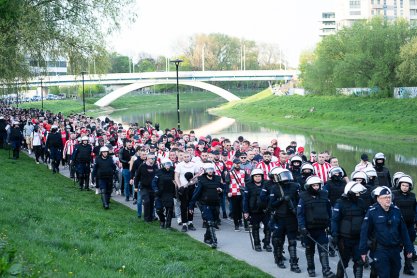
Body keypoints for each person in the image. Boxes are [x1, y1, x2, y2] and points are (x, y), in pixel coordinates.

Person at [359, 186, 415, 278]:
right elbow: (364, 233)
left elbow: (404, 231)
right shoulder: (372, 212)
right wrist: (363, 251)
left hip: (395, 250)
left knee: (395, 274)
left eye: (389, 197)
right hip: (380, 250)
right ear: (378, 199)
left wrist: (409, 248)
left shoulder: (396, 211)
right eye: (385, 197)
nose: (388, 199)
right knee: (384, 275)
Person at [297, 175, 336, 278]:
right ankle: (311, 269)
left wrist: (330, 224)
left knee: (323, 250)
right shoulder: (303, 197)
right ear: (309, 186)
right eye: (313, 185)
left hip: (322, 229)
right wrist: (302, 227)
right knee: (310, 251)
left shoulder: (324, 195)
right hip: (309, 230)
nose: (316, 187)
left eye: (317, 185)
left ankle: (326, 271)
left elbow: (329, 211)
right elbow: (300, 214)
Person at [267, 167, 301, 273]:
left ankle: (294, 263)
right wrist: (281, 199)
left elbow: (300, 201)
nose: (286, 178)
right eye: (283, 176)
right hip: (279, 218)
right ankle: (278, 258)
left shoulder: (296, 186)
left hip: (291, 218)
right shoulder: (275, 188)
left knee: (292, 241)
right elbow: (271, 205)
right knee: (278, 240)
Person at [331, 181, 368, 278]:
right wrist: (334, 235)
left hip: (358, 239)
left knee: (359, 261)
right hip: (344, 239)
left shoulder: (361, 202)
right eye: (356, 193)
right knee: (344, 261)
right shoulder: (340, 203)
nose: (358, 195)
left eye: (359, 193)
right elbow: (334, 220)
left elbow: (366, 220)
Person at [189, 163, 223, 248]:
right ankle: (214, 241)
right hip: (205, 204)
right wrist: (191, 205)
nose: (210, 171)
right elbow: (196, 193)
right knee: (210, 222)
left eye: (211, 169)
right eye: (208, 169)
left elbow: (223, 189)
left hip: (215, 203)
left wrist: (220, 190)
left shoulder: (218, 178)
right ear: (205, 170)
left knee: (213, 222)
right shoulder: (201, 180)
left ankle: (206, 237)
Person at [392, 175, 417, 275]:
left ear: (410, 187)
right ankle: (393, 266)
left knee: (409, 247)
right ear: (399, 185)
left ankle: (408, 267)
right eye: (403, 185)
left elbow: (415, 209)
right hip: (397, 226)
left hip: (410, 226)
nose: (405, 187)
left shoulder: (413, 196)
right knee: (396, 248)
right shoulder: (393, 195)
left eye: (407, 186)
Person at [243, 168, 272, 252]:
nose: (258, 178)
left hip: (265, 210)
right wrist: (246, 211)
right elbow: (245, 199)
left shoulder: (266, 184)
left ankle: (267, 243)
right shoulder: (248, 185)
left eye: (259, 176)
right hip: (254, 211)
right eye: (256, 176)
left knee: (268, 227)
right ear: (253, 177)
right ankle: (257, 244)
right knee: (255, 228)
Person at [175, 151, 200, 232]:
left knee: (191, 206)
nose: (186, 158)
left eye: (188, 156)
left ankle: (190, 222)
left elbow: (196, 177)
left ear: (190, 157)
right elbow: (176, 176)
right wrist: (179, 186)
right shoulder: (179, 165)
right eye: (185, 156)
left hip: (191, 188)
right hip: (183, 188)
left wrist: (192, 182)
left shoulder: (194, 165)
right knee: (183, 206)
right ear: (183, 157)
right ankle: (184, 224)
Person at [152, 158, 176, 229]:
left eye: (169, 164)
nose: (167, 165)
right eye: (166, 164)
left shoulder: (173, 172)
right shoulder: (158, 172)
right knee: (158, 209)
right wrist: (155, 189)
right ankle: (162, 221)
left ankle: (168, 225)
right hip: (160, 193)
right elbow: (154, 182)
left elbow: (176, 181)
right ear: (162, 165)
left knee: (169, 210)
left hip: (169, 193)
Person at [134, 152, 158, 222]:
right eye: (151, 158)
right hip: (144, 187)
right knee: (146, 201)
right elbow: (137, 176)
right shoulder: (142, 166)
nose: (153, 159)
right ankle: (146, 218)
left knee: (151, 202)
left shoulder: (155, 167)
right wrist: (135, 186)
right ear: (147, 158)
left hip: (152, 188)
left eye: (154, 158)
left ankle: (151, 217)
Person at [225, 159, 247, 231]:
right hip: (234, 193)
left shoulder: (244, 171)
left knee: (244, 209)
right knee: (235, 209)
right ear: (233, 164)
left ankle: (246, 225)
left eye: (239, 163)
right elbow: (227, 183)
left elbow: (248, 181)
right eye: (236, 163)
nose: (238, 164)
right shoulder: (230, 172)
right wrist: (228, 192)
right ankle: (236, 225)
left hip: (242, 192)